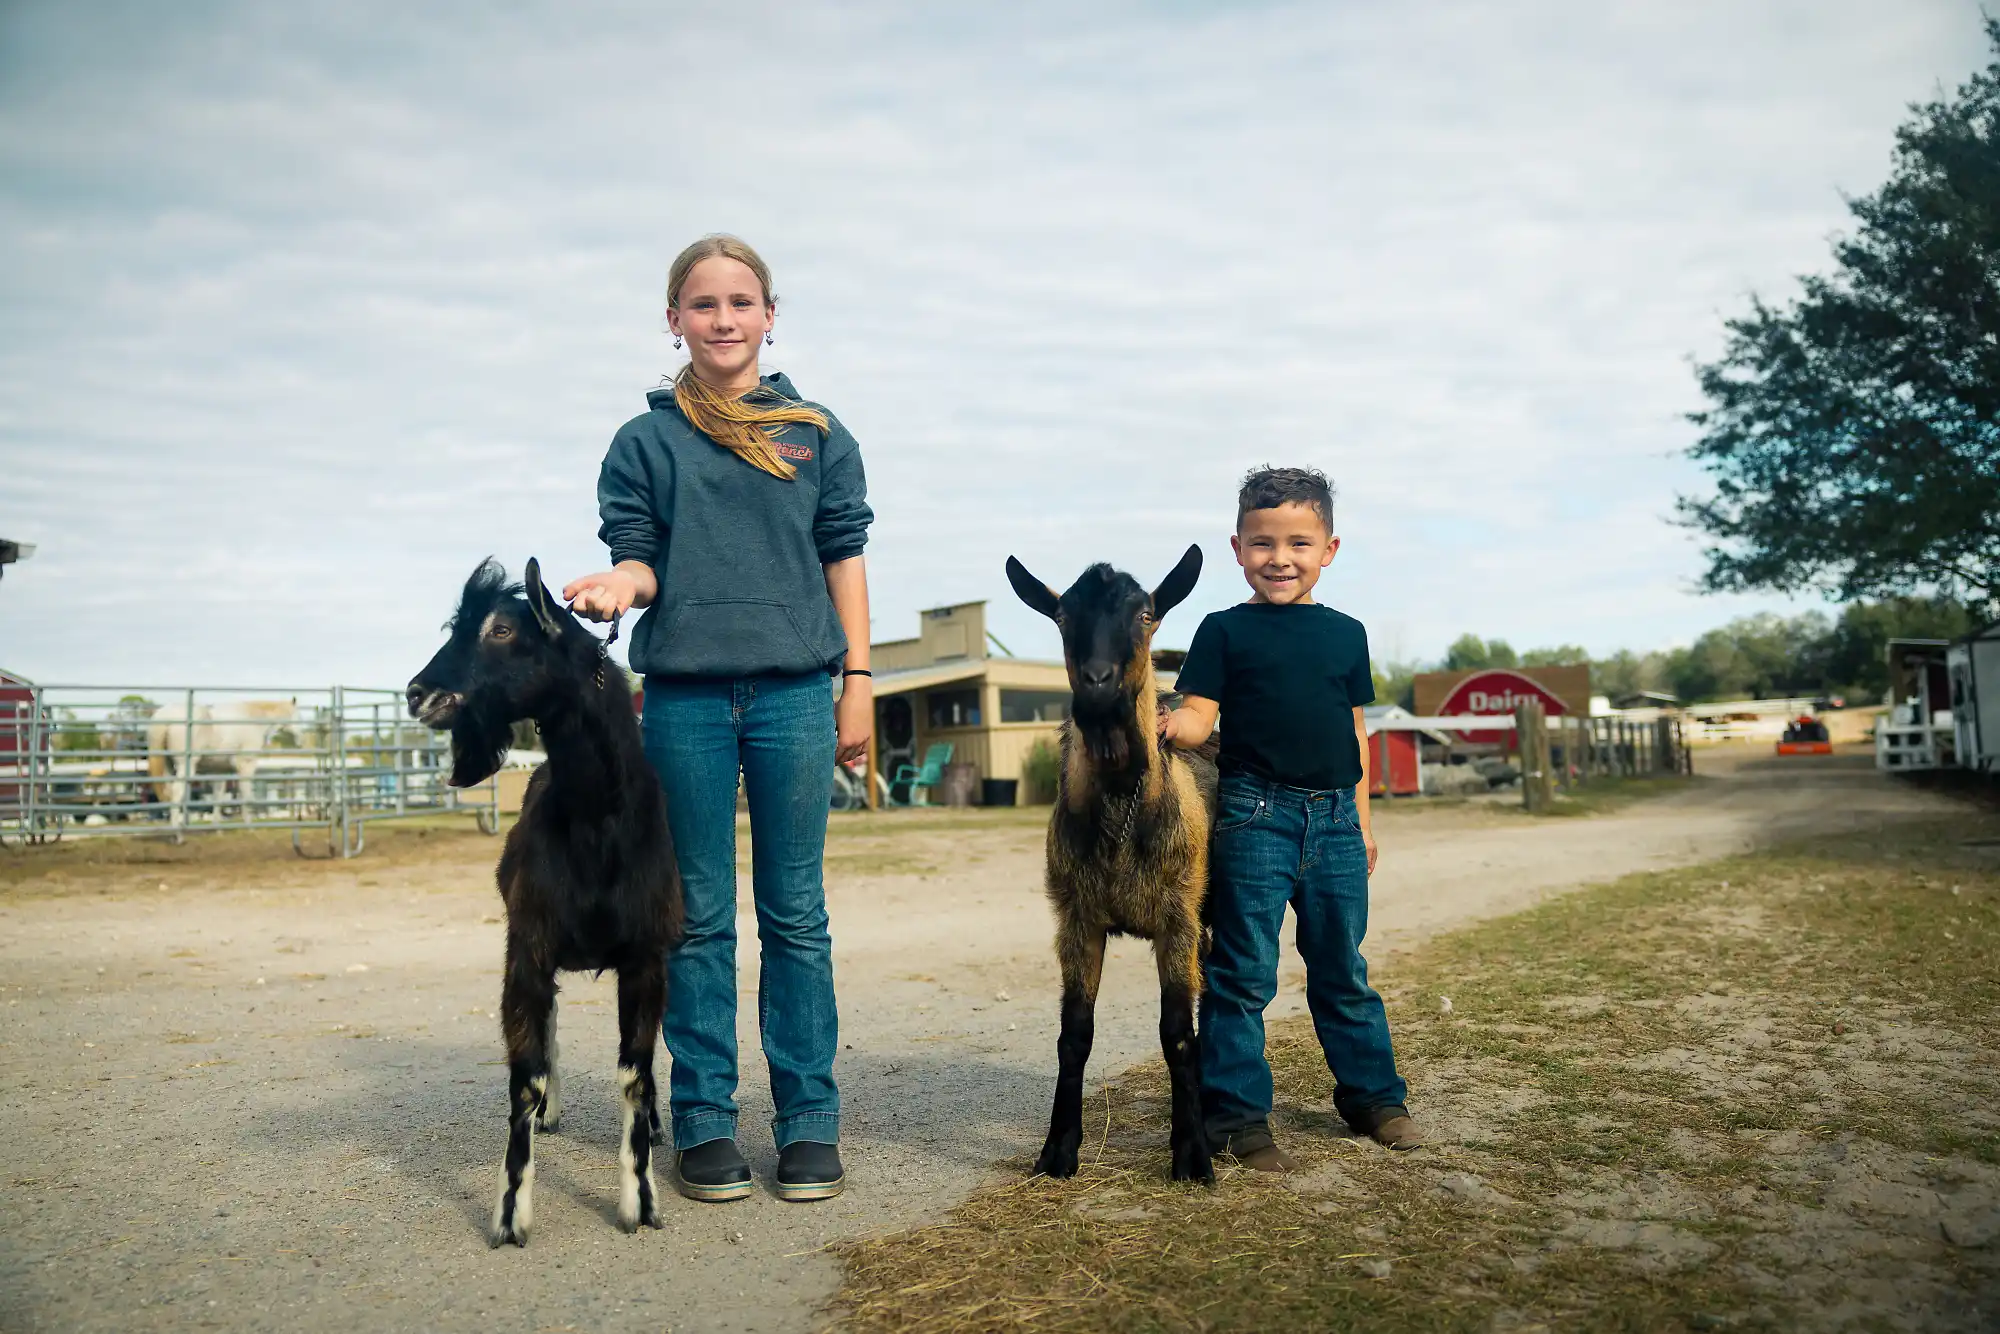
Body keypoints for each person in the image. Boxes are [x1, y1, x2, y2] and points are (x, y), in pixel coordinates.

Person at [564, 235, 872, 1204]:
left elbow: (843, 557)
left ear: (770, 315)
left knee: (796, 916)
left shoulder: (815, 431)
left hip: (792, 696)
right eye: (704, 304)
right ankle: (702, 1122)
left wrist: (855, 676)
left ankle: (810, 1121)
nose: (724, 318)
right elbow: (642, 554)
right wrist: (620, 580)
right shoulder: (643, 440)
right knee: (693, 919)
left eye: (742, 301)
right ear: (675, 321)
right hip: (687, 701)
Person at [1158, 465, 1422, 1172]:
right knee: (1243, 974)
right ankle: (1238, 1117)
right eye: (1263, 543)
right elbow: (1198, 716)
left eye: (1299, 543)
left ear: (1329, 550)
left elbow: (1355, 731)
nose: (1281, 558)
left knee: (1343, 968)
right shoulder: (1221, 632)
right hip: (1255, 817)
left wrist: (1362, 824)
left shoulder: (1346, 635)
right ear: (1238, 549)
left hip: (1336, 821)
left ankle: (1374, 1099)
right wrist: (1162, 722)